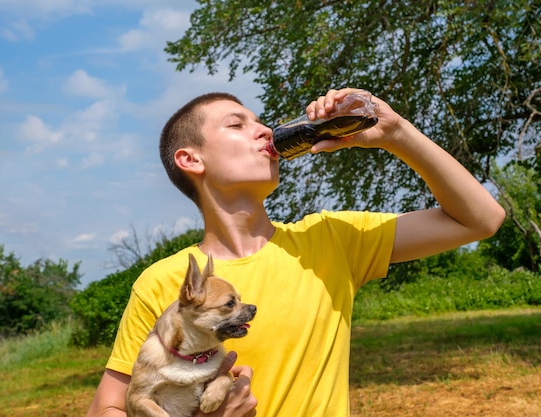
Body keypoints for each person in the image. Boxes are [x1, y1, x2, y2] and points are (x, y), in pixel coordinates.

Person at [86, 87, 505, 416]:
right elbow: (108, 406)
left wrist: (396, 133)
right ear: (190, 159)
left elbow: (480, 219)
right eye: (237, 124)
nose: (266, 131)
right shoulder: (162, 282)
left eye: (262, 123)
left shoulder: (331, 239)